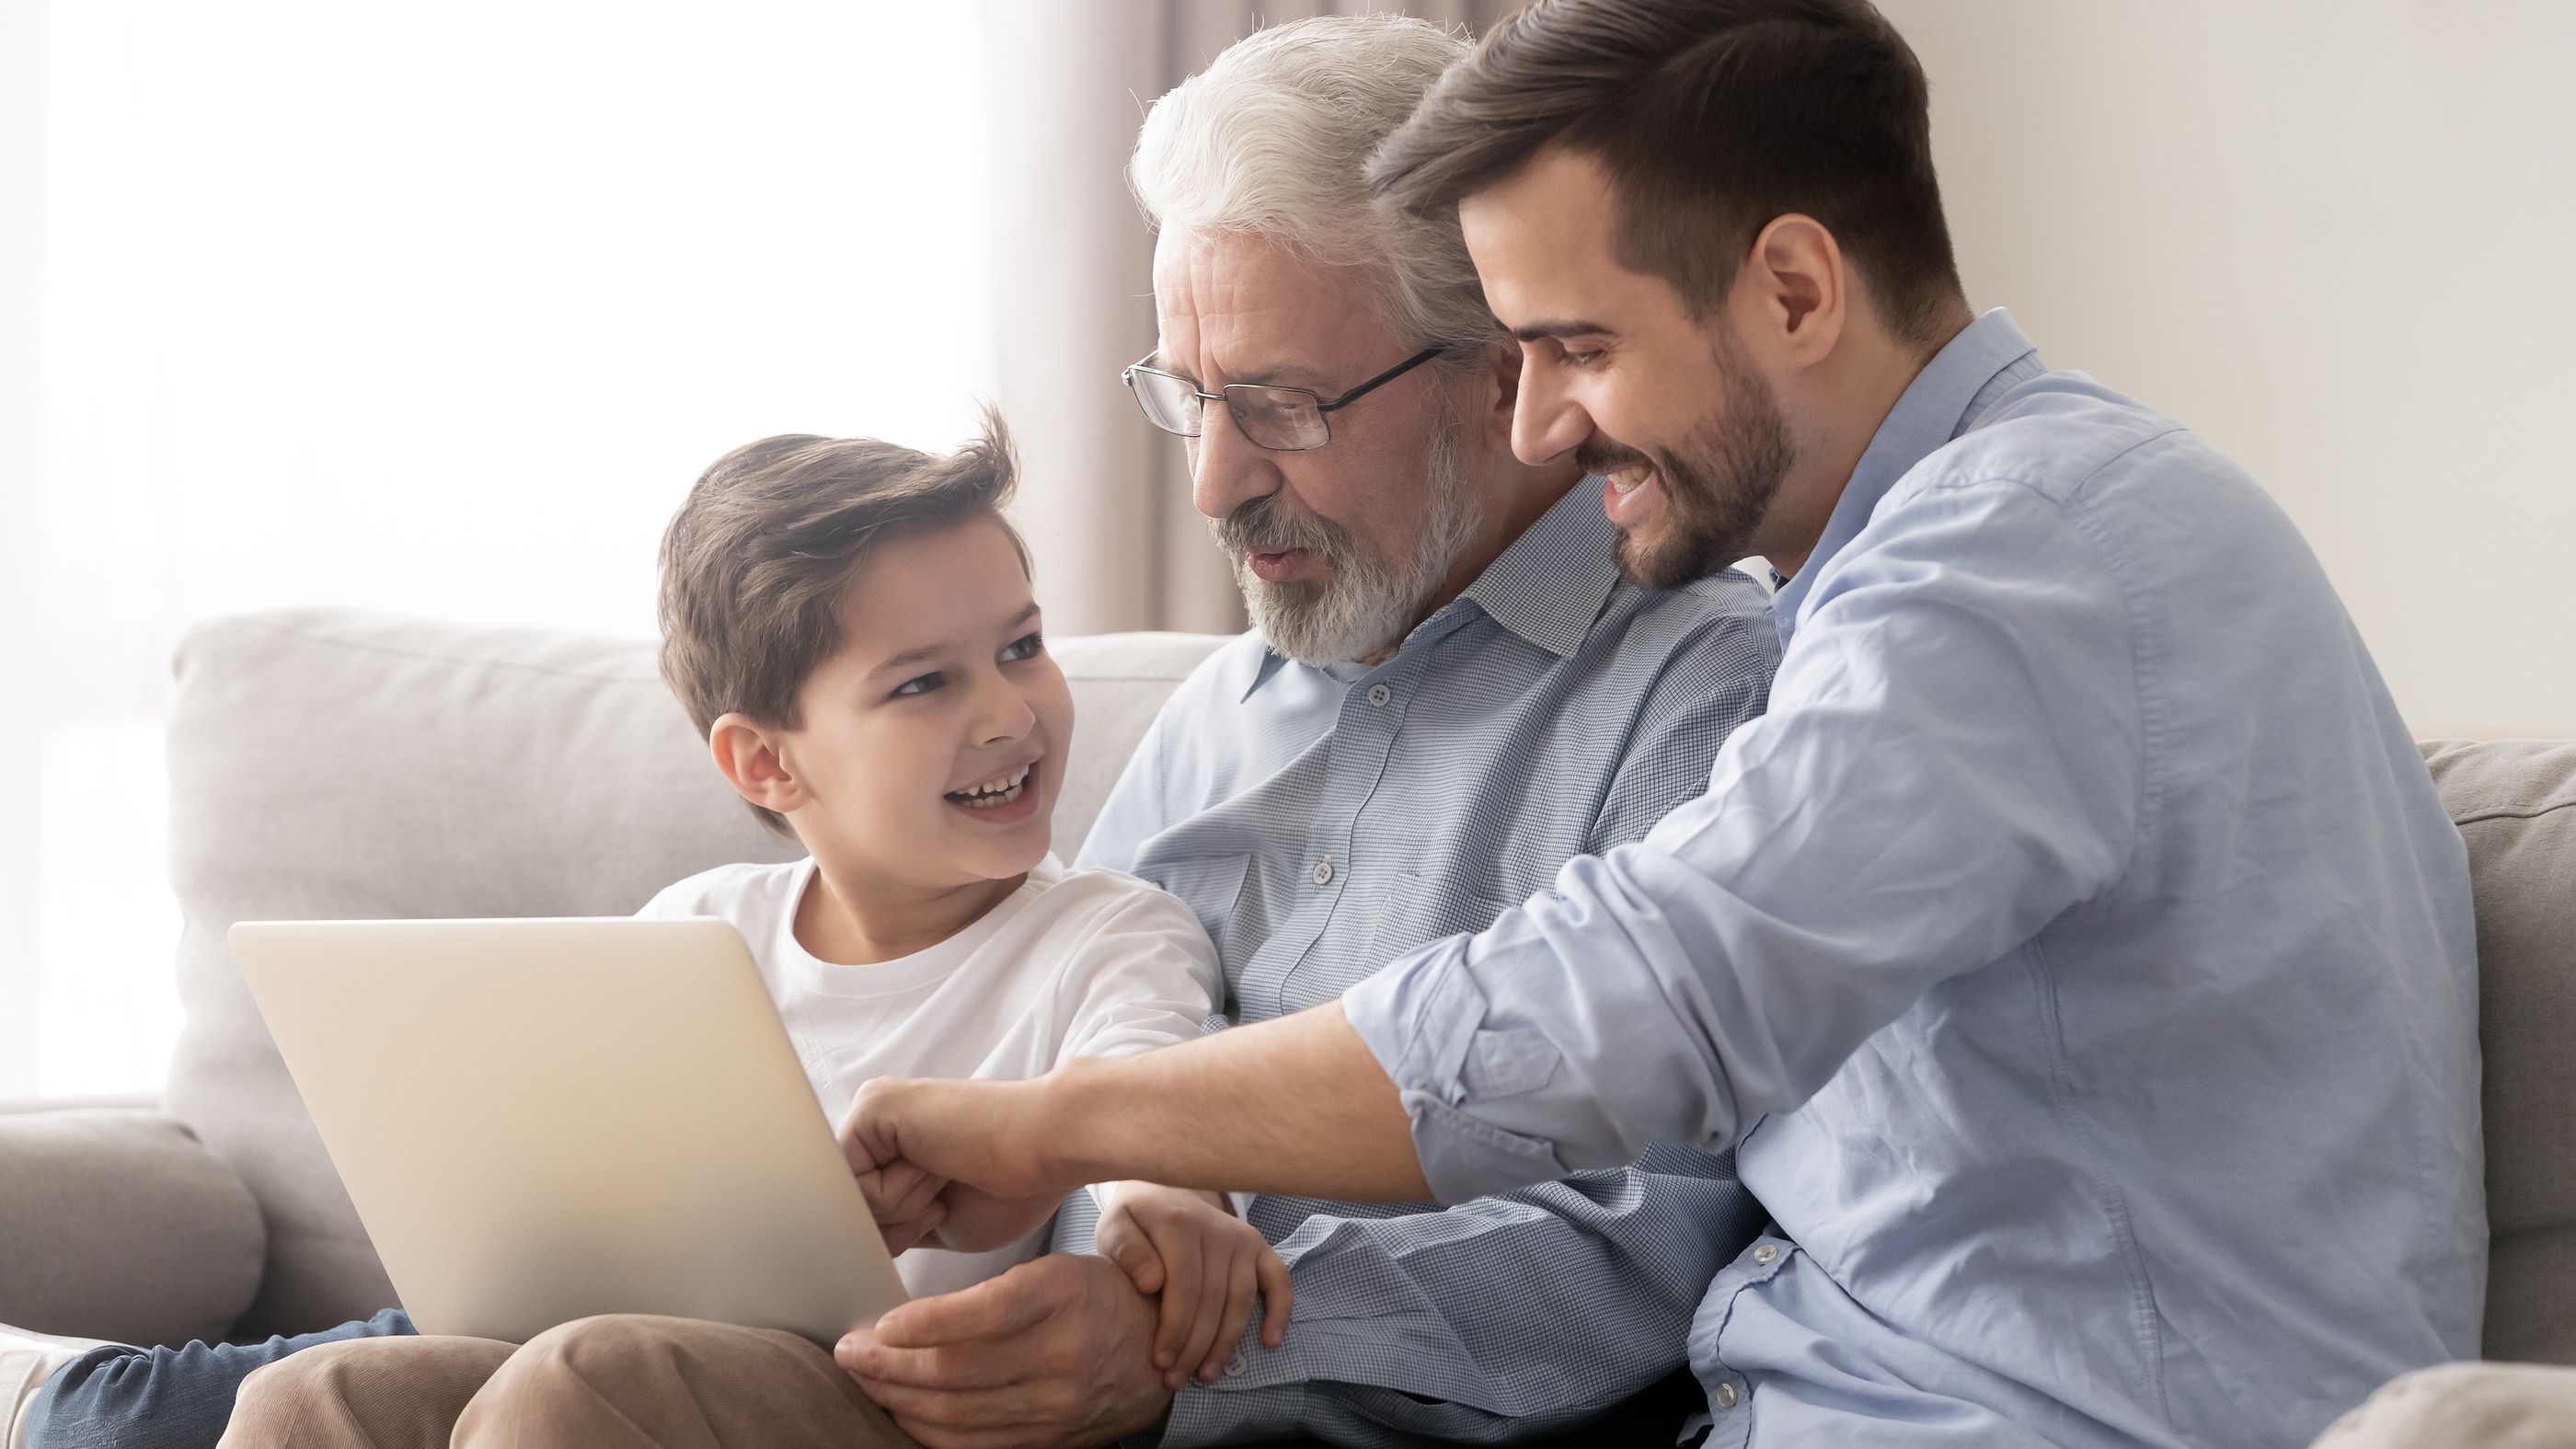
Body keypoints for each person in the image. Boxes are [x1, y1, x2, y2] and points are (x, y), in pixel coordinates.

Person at [839, 4, 2487, 1449]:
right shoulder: (1930, 565)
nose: (1539, 421)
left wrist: (1062, 1127)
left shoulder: (2023, 549)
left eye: (1579, 347)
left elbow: (1631, 1004)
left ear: (1794, 291)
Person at [208, 17, 1788, 1449]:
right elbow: (1071, 1080)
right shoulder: (1227, 711)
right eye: (1189, 398)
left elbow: (1660, 1240)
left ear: (1501, 374)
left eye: (1284, 406)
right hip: (950, 1368)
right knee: (315, 1402)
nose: (1213, 483)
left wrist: (1192, 1345)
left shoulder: (1700, 698)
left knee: (581, 1394)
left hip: (1246, 1422)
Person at [21, 419, 1285, 1449]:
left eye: (1021, 647)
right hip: (650, 1350)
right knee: (317, 1395)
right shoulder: (698, 931)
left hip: (894, 1403)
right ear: (766, 763)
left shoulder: (1105, 934)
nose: (1009, 712)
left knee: (581, 1380)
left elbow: (1148, 1097)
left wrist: (1160, 1201)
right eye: (924, 682)